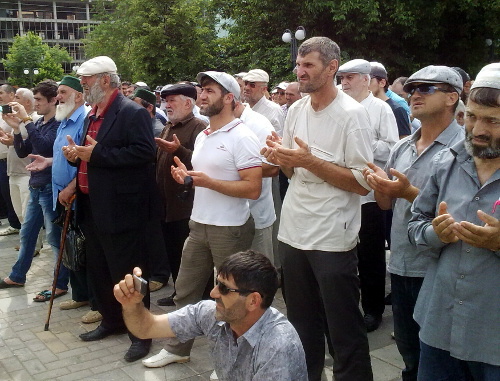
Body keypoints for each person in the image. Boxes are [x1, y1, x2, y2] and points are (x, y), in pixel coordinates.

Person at [263, 36, 374, 381]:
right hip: (294, 228)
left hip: (332, 234)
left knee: (342, 325)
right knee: (300, 321)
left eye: (308, 64)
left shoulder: (352, 115)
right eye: (298, 64)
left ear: (331, 67)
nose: (300, 71)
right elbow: (291, 172)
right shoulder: (295, 110)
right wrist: (280, 158)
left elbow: (362, 183)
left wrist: (309, 160)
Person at [143, 71, 261, 369]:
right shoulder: (206, 135)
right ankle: (178, 347)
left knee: (232, 299)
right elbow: (203, 180)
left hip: (230, 229)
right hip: (199, 225)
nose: (202, 95)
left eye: (209, 91)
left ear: (229, 98)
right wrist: (187, 179)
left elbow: (253, 188)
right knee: (185, 290)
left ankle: (233, 361)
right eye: (201, 90)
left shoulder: (242, 136)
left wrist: (206, 182)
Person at [364, 65, 464, 381]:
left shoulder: (465, 149)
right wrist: (381, 187)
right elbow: (386, 206)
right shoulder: (402, 146)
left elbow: (461, 212)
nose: (414, 93)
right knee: (408, 352)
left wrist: (407, 191)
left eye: (426, 88)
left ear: (452, 97)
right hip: (402, 263)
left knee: (439, 357)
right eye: (412, 88)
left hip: (439, 266)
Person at [61, 56, 162, 362]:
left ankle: (141, 333)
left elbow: (145, 153)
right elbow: (91, 155)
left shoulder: (131, 111)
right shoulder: (92, 113)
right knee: (101, 270)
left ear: (105, 80)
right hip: (92, 205)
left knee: (128, 272)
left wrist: (96, 154)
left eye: (86, 80)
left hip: (122, 209)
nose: (82, 85)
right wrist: (74, 156)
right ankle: (113, 321)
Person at [408, 63, 499, 381]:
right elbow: (415, 224)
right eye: (472, 117)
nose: (478, 130)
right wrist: (436, 233)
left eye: (492, 121)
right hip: (440, 325)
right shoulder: (446, 160)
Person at [115, 250, 307, 381]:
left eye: (224, 288)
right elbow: (146, 328)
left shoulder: (278, 345)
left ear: (253, 301)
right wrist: (132, 305)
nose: (214, 293)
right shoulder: (211, 314)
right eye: (217, 282)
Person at [337, 58, 399, 332]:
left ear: (366, 79)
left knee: (370, 257)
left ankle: (373, 310)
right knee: (343, 255)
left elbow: (391, 148)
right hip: (340, 193)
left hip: (370, 198)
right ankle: (347, 307)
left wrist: (359, 140)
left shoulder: (381, 109)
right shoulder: (337, 107)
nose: (345, 82)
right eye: (342, 78)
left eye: (351, 77)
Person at [0, 81, 70, 300]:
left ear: (53, 101)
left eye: (39, 100)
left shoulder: (57, 123)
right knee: (27, 233)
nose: (36, 103)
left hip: (50, 187)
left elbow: (46, 147)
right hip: (37, 186)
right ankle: (18, 275)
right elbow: (24, 152)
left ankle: (60, 284)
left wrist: (26, 121)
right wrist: (16, 128)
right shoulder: (38, 123)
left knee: (54, 238)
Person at [155, 83, 207, 306]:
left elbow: (202, 162)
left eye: (172, 100)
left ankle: (199, 299)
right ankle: (180, 293)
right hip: (166, 205)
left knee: (191, 257)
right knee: (173, 253)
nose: (167, 105)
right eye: (165, 101)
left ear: (188, 103)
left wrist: (178, 150)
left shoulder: (199, 126)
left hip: (185, 205)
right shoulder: (169, 125)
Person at [0, 84, 22, 235]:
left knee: (12, 194)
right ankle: (14, 222)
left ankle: (17, 224)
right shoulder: (1, 111)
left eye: (1, 93)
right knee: (6, 193)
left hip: (11, 160)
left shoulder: (17, 113)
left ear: (11, 95)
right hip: (3, 160)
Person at [242, 69, 285, 135]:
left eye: (252, 85)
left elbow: (278, 138)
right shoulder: (239, 108)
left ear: (264, 89)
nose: (246, 88)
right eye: (246, 83)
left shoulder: (274, 110)